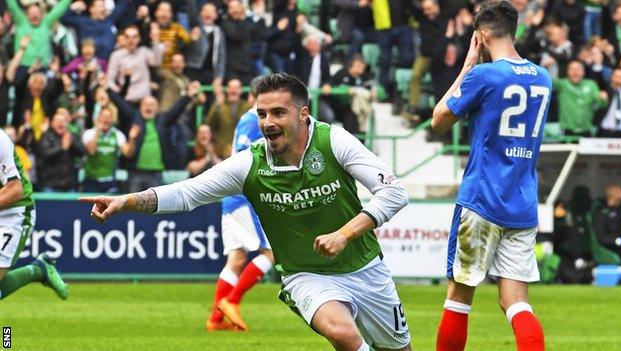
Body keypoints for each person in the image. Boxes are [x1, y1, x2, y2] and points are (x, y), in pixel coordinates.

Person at [80, 73, 412, 351]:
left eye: (278, 113)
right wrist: (128, 201)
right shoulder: (249, 163)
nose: (268, 123)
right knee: (342, 334)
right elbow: (187, 193)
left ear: (303, 114)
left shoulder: (334, 142)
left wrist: (344, 234)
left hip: (366, 269)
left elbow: (394, 192)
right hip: (306, 275)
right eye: (262, 114)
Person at [431, 2, 550, 350]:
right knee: (515, 301)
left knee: (459, 296)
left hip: (482, 199)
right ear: (514, 32)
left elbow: (438, 119)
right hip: (523, 202)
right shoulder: (542, 77)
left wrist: (468, 64)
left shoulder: (484, 75)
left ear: (480, 37)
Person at [207, 87, 275, 332]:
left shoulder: (248, 120)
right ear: (253, 99)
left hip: (233, 197)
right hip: (243, 197)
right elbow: (249, 157)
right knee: (271, 253)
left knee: (236, 258)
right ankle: (232, 301)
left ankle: (215, 320)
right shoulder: (251, 120)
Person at [0, 129, 68, 301]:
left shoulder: (1, 141)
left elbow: (15, 190)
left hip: (14, 213)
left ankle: (38, 270)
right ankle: (40, 269)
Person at [593, 183, 621, 261]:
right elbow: (601, 236)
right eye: (620, 192)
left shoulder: (620, 210)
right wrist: (618, 241)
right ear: (613, 195)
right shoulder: (602, 212)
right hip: (611, 247)